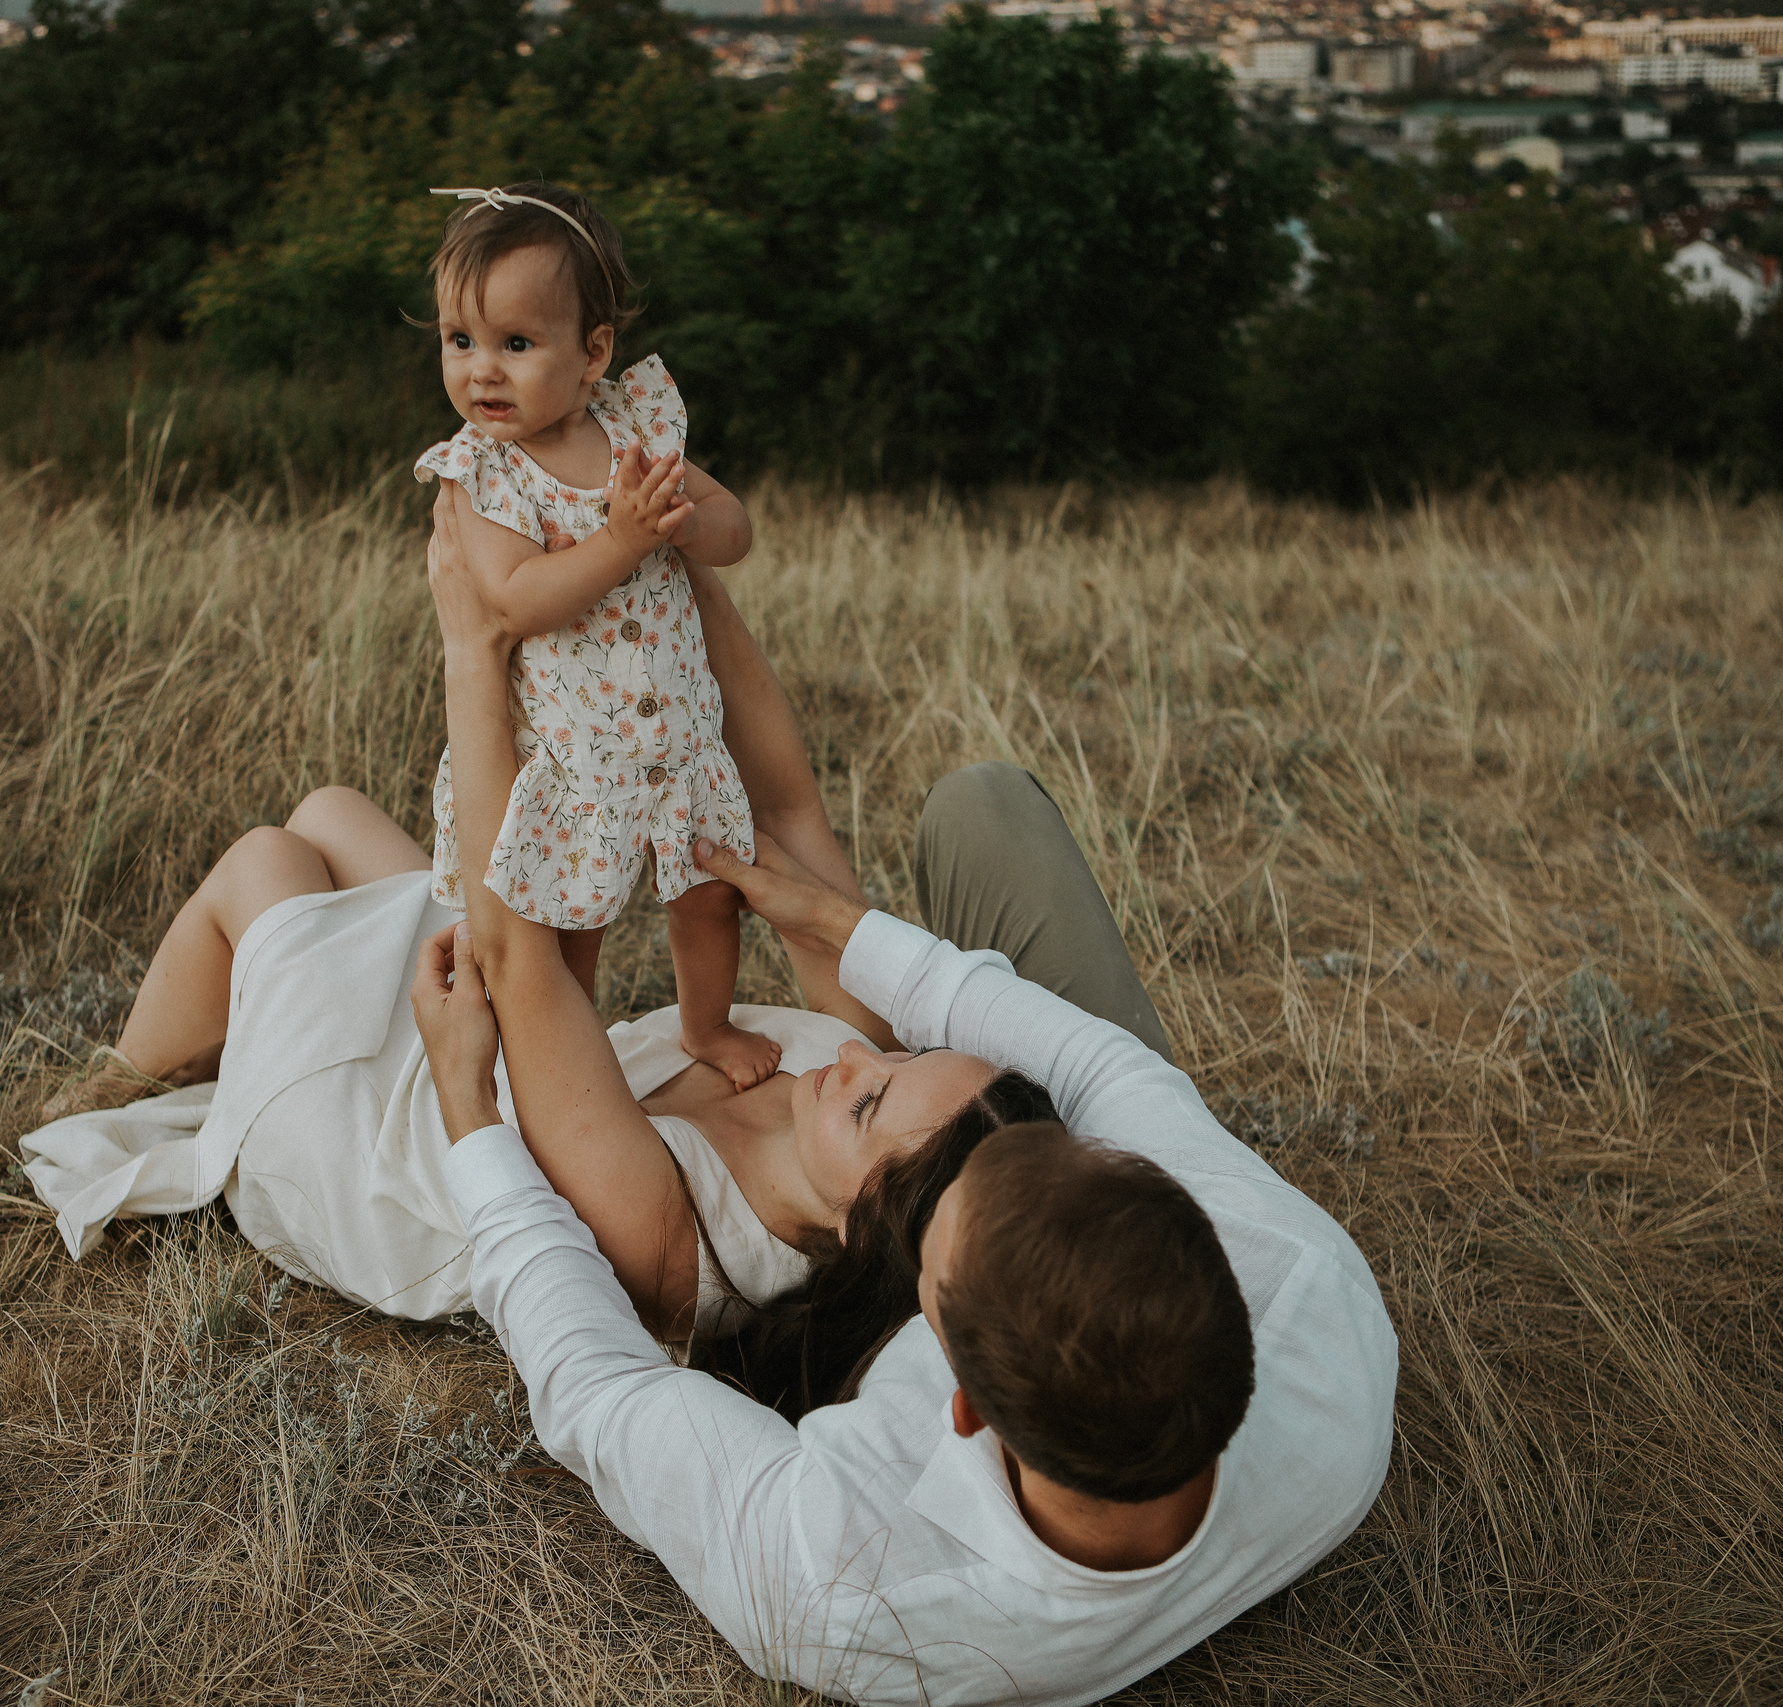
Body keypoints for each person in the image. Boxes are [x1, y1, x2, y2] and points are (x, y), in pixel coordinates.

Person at [408, 509, 1401, 1705]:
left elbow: (599, 1388)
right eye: (1070, 1148)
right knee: (985, 812)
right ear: (1199, 1227)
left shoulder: (837, 1581)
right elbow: (1103, 1072)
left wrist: (472, 1112)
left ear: (954, 1395)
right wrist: (818, 913)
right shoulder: (1306, 1286)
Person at [15, 484, 1045, 1341]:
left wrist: (475, 641)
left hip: (394, 1166)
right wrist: (671, 574)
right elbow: (788, 804)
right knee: (331, 812)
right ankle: (199, 1050)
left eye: (869, 1102)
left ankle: (115, 1088)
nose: (861, 1059)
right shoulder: (852, 1064)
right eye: (903, 1060)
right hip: (512, 1035)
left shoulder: (672, 1243)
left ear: (865, 1227)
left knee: (264, 862)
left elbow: (517, 947)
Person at [416, 181, 781, 1090]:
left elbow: (734, 525)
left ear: (593, 353)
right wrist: (623, 540)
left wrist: (688, 526)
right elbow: (514, 600)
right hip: (574, 757)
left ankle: (706, 1026)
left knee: (710, 896)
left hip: (677, 739)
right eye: (460, 341)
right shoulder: (483, 473)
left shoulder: (633, 425)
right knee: (569, 925)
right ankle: (559, 1065)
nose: (481, 370)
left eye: (516, 343)